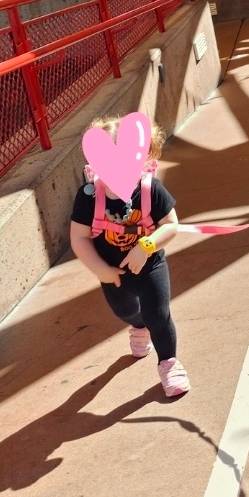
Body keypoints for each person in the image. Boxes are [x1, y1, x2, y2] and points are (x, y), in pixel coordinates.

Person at [68, 117, 190, 398]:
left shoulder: (150, 189)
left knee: (158, 314)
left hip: (150, 266)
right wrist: (101, 269)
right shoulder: (88, 197)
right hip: (113, 271)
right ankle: (139, 326)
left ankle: (169, 363)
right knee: (124, 311)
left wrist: (146, 246)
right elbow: (79, 237)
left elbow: (170, 225)